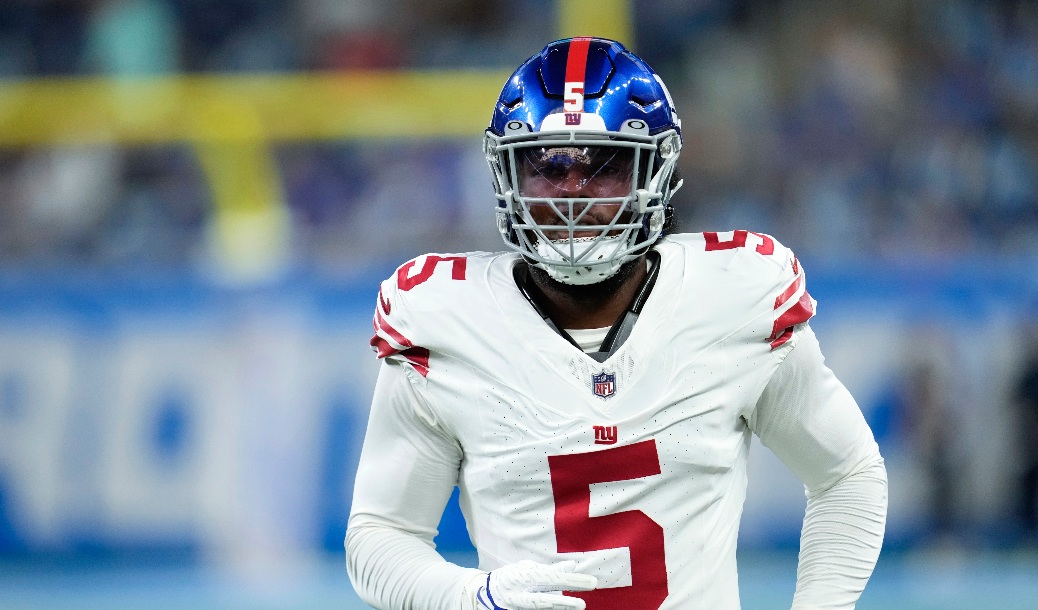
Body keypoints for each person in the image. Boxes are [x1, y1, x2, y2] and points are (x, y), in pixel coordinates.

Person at [346, 37, 887, 610]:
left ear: (654, 170)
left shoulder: (732, 299)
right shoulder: (448, 319)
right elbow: (382, 536)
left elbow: (846, 475)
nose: (573, 194)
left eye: (603, 166)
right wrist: (472, 597)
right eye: (546, 167)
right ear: (507, 176)